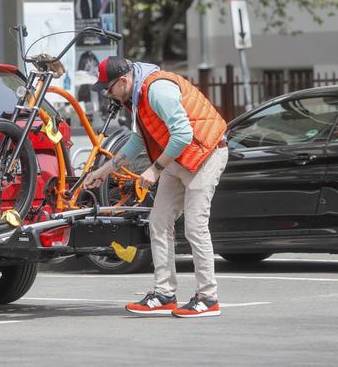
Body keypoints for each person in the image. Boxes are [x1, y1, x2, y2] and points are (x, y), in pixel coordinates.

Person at [84, 56, 229, 318]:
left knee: (195, 227)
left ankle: (208, 298)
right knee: (159, 222)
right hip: (179, 157)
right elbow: (138, 140)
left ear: (124, 81)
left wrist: (155, 169)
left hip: (205, 155)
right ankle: (164, 294)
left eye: (108, 88)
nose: (107, 94)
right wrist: (104, 171)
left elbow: (183, 134)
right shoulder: (138, 98)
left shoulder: (157, 90)